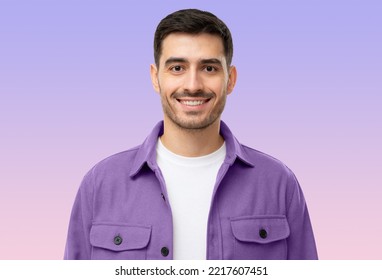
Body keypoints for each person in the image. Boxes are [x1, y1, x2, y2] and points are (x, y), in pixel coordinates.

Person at [64, 8, 318, 260]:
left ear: (230, 79)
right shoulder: (100, 184)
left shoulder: (279, 183)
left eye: (209, 68)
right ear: (155, 77)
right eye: (177, 68)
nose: (193, 85)